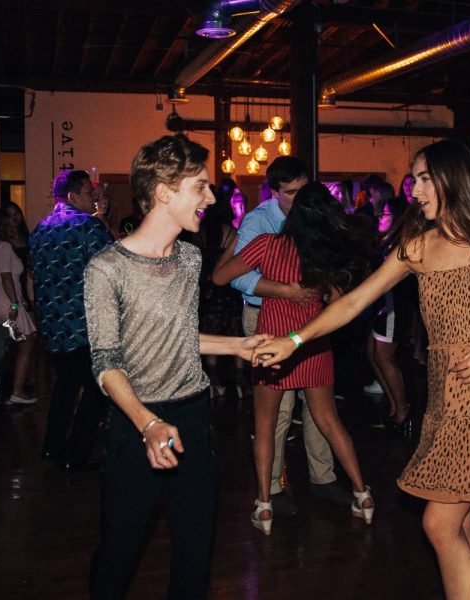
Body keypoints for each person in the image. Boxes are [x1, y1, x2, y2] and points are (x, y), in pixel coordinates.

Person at [253, 140, 470, 599]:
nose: (413, 190)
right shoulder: (418, 245)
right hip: (443, 397)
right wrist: (294, 340)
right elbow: (355, 301)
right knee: (462, 523)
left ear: (451, 178)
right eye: (413, 180)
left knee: (439, 522)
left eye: (421, 178)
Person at [85, 134, 270, 599]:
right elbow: (106, 363)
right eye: (201, 187)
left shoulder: (189, 258)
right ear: (164, 192)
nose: (212, 198)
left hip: (191, 416)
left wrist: (239, 346)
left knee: (194, 555)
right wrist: (147, 424)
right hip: (136, 424)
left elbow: (180, 337)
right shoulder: (107, 269)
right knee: (119, 553)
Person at [214, 181, 377, 534]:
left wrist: (231, 245)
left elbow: (219, 276)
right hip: (312, 345)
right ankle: (362, 494)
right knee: (329, 421)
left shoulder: (267, 245)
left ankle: (264, 506)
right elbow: (339, 304)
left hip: (273, 346)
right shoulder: (322, 254)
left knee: (265, 427)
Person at [224, 156, 350, 517]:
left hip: (311, 321)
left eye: (302, 189)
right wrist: (286, 291)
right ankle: (272, 488)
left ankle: (322, 478)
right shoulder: (258, 222)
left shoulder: (314, 218)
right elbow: (236, 277)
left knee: (318, 409)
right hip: (266, 317)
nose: (298, 198)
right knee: (276, 413)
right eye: (290, 192)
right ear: (273, 192)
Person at [29, 169, 114, 469]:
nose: (93, 199)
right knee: (98, 388)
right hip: (84, 324)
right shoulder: (87, 226)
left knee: (65, 385)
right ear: (72, 196)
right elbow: (113, 262)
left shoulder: (39, 229)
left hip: (52, 325)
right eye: (89, 193)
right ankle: (77, 454)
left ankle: (52, 447)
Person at [0, 209, 38, 405]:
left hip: (2, 303)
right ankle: (17, 391)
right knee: (25, 342)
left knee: (12, 345)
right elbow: (5, 277)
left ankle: (8, 390)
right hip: (8, 304)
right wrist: (15, 304)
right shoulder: (3, 247)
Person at [367, 194, 414, 433]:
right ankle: (395, 407)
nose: (379, 217)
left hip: (394, 309)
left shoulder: (401, 245)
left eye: (384, 214)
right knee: (374, 355)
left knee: (384, 358)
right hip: (383, 308)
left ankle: (402, 412)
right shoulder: (386, 242)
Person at [195, 186, 246, 398]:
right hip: (229, 288)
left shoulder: (200, 232)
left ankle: (214, 383)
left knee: (211, 334)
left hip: (207, 290)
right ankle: (242, 383)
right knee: (236, 332)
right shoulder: (232, 232)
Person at [2, 202, 33, 311]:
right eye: (10, 215)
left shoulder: (26, 237)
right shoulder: (4, 242)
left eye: (16, 213)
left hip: (22, 283)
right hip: (9, 285)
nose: (14, 217)